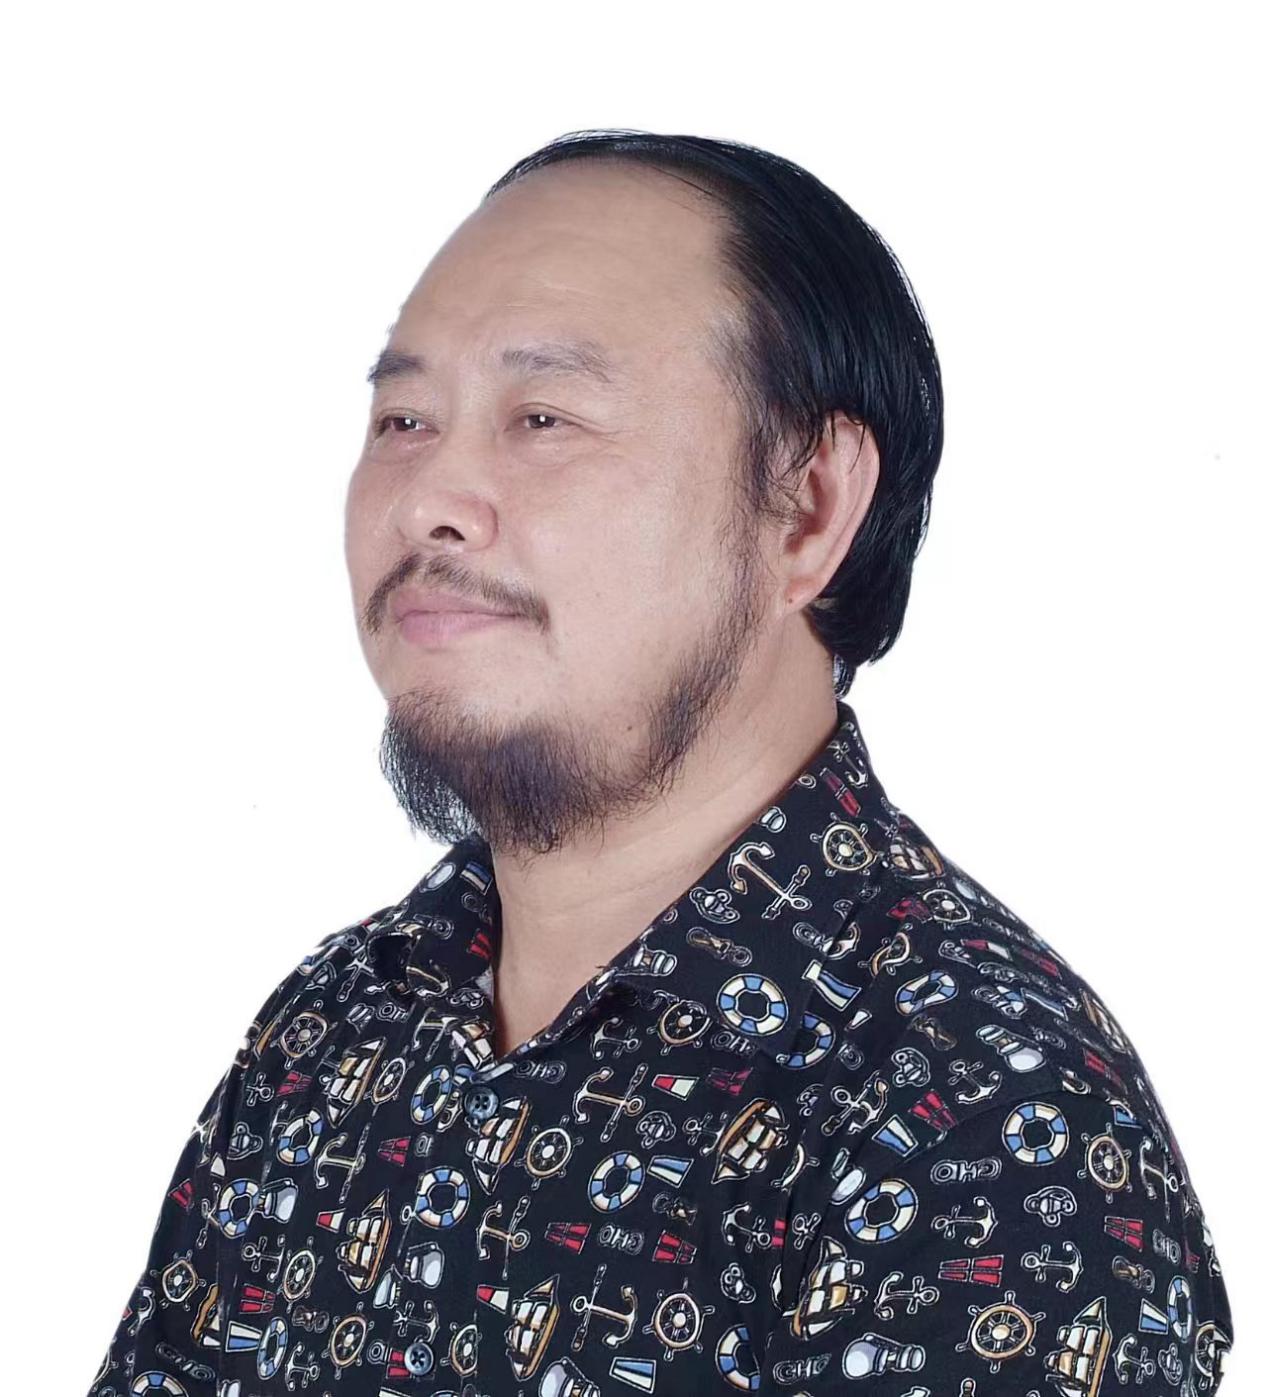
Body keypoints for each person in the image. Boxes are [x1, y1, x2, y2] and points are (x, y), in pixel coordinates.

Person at [86, 129, 1234, 1395]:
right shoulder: (337, 1026)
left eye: (543, 417)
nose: (427, 500)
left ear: (807, 510)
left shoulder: (982, 1117)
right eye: (404, 418)